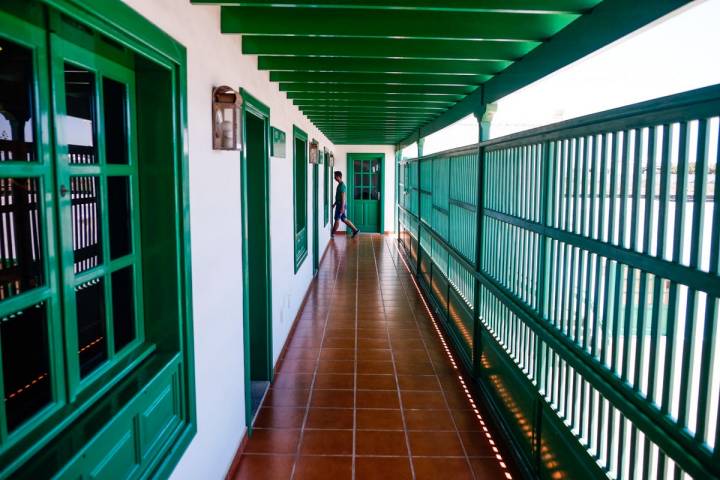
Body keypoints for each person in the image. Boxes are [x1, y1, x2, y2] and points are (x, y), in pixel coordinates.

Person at [331, 171, 359, 238]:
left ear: (339, 177)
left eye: (335, 176)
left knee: (337, 219)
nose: (334, 178)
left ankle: (332, 234)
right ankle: (355, 230)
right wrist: (335, 204)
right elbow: (338, 197)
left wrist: (342, 208)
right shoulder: (340, 185)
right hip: (339, 205)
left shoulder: (342, 186)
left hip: (341, 205)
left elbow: (343, 198)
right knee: (344, 219)